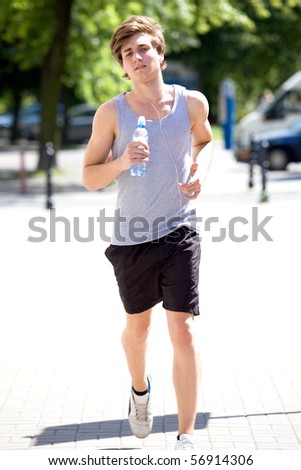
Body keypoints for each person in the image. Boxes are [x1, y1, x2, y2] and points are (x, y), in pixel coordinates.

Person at [82, 15, 213, 450]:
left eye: (143, 49)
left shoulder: (192, 103)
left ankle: (186, 436)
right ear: (122, 66)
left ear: (160, 53)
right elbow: (88, 177)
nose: (136, 57)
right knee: (138, 329)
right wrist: (120, 162)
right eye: (127, 54)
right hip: (131, 237)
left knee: (183, 330)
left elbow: (206, 141)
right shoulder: (111, 113)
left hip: (180, 231)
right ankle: (140, 391)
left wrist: (200, 172)